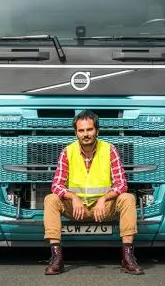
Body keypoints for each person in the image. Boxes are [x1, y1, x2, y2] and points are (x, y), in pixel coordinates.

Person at [43, 110, 143, 275]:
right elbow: (56, 185)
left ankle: (128, 258)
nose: (85, 134)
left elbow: (121, 184)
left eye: (89, 129)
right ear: (76, 133)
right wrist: (73, 198)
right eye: (81, 131)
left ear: (97, 130)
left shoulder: (110, 150)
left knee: (127, 198)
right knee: (51, 199)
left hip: (103, 209)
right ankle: (56, 258)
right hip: (76, 209)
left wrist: (103, 199)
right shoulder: (67, 152)